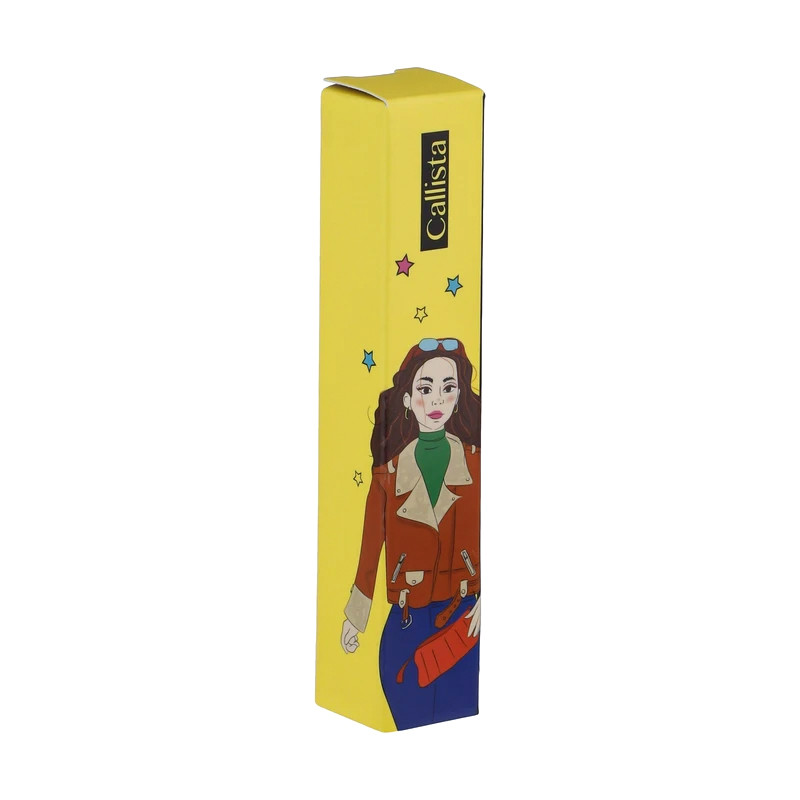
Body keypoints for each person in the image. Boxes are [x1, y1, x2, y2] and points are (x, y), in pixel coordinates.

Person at [340, 337, 481, 730]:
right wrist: (356, 618)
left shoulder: (478, 464)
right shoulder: (386, 476)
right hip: (405, 628)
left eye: (448, 387)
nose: (437, 399)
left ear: (459, 396)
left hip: (464, 622)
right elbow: (370, 550)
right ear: (406, 398)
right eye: (425, 388)